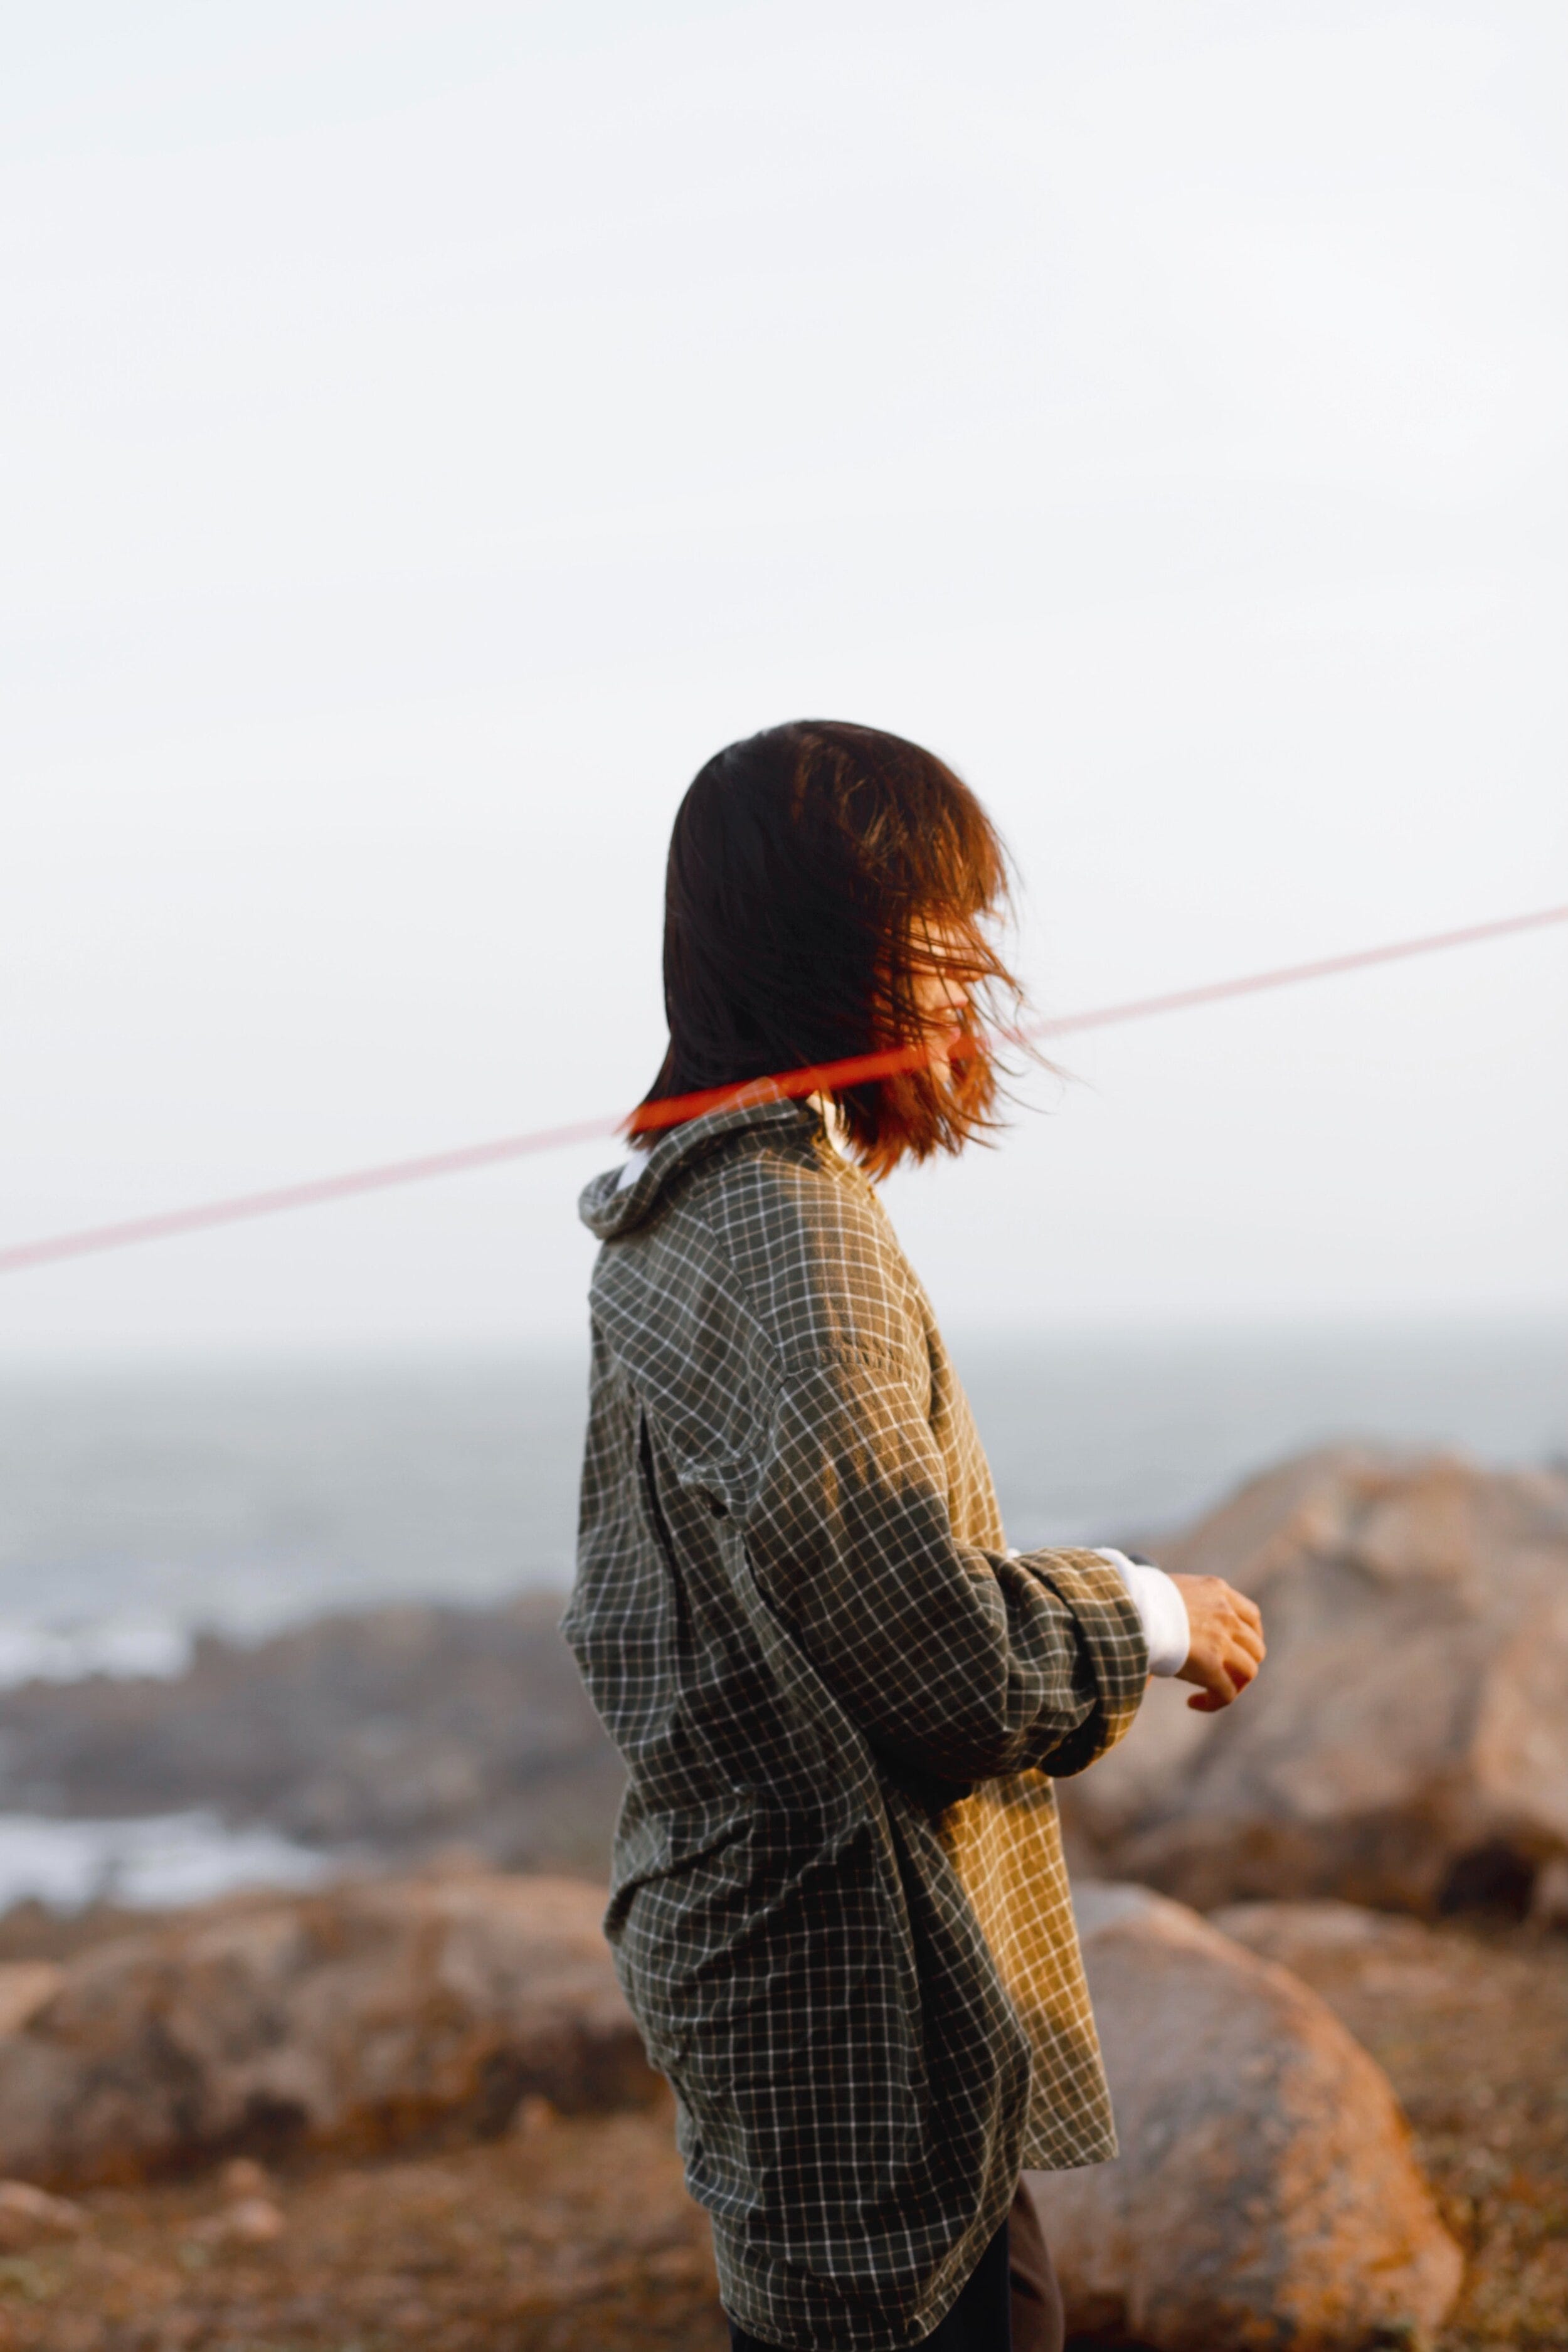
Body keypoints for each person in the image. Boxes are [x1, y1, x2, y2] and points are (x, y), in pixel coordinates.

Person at [563, 721, 1266, 2351]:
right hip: (856, 2005)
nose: (975, 971)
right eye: (939, 925)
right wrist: (1152, 1610)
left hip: (777, 1974)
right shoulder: (792, 1236)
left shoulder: (673, 1215)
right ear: (838, 949)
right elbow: (941, 1669)